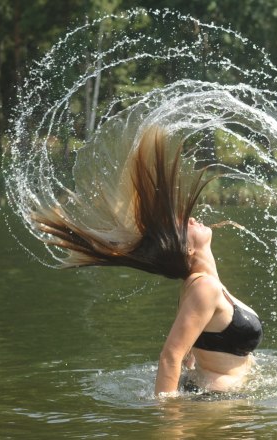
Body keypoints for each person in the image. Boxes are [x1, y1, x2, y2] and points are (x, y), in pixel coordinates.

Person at [29, 125, 263, 397]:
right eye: (183, 226)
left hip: (221, 398)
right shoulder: (203, 288)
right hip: (216, 403)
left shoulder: (200, 284)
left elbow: (191, 346)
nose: (190, 219)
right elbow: (170, 357)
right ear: (186, 249)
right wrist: (169, 424)